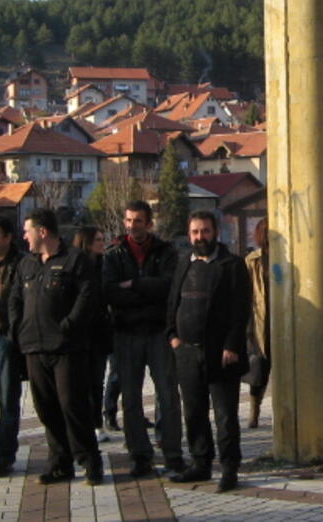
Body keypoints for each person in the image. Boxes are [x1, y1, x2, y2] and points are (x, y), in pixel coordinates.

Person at [8, 208, 103, 486]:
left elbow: (87, 298)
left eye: (27, 231)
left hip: (66, 348)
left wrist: (67, 326)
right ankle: (60, 463)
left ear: (42, 231)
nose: (24, 237)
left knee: (72, 404)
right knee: (46, 407)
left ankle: (89, 461)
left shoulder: (76, 261)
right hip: (34, 347)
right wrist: (17, 329)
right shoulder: (27, 264)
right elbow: (15, 298)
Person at [167, 211, 251, 492]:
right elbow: (173, 302)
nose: (200, 237)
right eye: (194, 232)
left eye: (204, 231)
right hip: (187, 353)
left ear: (215, 232)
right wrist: (173, 337)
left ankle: (229, 469)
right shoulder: (184, 264)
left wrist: (231, 345)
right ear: (188, 235)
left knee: (225, 416)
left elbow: (241, 310)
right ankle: (200, 463)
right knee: (193, 413)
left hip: (221, 354)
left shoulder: (232, 265)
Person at [102, 200, 184, 476]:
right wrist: (146, 292)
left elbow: (169, 288)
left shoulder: (165, 252)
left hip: (158, 331)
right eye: (129, 220)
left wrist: (135, 284)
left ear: (149, 223)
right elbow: (111, 292)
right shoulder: (114, 254)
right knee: (131, 399)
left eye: (138, 221)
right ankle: (139, 455)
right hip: (126, 333)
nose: (132, 226)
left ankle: (172, 453)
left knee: (168, 395)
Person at [0, 214, 26, 477]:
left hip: (9, 339)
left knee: (9, 400)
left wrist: (15, 334)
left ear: (8, 238)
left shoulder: (22, 265)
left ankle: (4, 455)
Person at [73, 226, 113, 443]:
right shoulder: (76, 267)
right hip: (80, 332)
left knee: (97, 381)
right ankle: (83, 423)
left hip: (99, 333)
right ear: (87, 242)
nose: (102, 243)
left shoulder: (104, 266)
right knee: (81, 382)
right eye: (98, 240)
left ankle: (97, 423)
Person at [244, 218, 270, 429]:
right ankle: (254, 411)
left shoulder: (288, 259)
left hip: (283, 321)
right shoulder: (252, 260)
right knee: (258, 371)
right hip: (260, 321)